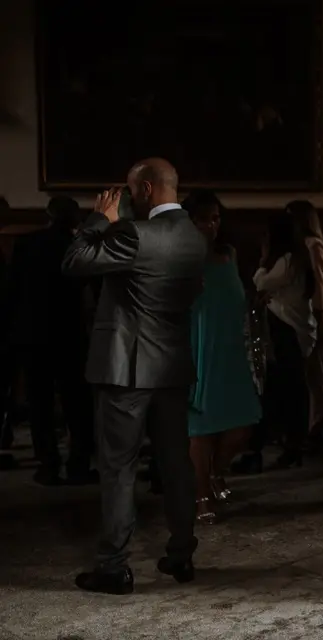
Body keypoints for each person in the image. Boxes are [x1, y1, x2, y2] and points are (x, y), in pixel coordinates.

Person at [62, 158, 208, 595]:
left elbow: (73, 263)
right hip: (172, 368)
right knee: (176, 463)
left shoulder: (133, 234)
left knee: (119, 468)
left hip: (127, 369)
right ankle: (182, 554)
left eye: (128, 192)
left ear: (145, 189)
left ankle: (113, 567)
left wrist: (96, 221)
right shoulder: (196, 238)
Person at [181, 190, 262, 523]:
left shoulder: (228, 254)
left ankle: (217, 472)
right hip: (198, 349)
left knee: (243, 422)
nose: (210, 225)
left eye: (215, 218)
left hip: (231, 349)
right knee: (201, 427)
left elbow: (238, 299)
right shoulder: (181, 261)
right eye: (202, 219)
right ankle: (200, 493)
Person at [5, 196, 97, 485]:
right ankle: (78, 465)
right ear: (74, 219)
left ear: (49, 214)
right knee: (78, 406)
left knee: (40, 405)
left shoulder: (26, 244)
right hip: (70, 334)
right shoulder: (78, 246)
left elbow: (13, 292)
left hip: (34, 335)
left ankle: (48, 464)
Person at [240, 213, 316, 471]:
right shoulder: (295, 258)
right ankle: (291, 443)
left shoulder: (287, 260)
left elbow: (261, 281)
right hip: (290, 329)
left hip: (287, 330)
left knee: (287, 388)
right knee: (290, 388)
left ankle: (291, 443)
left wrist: (262, 261)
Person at [289, 200, 323, 435]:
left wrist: (319, 318)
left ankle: (315, 426)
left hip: (315, 316)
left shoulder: (314, 246)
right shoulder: (302, 246)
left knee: (315, 376)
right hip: (306, 316)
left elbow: (319, 286)